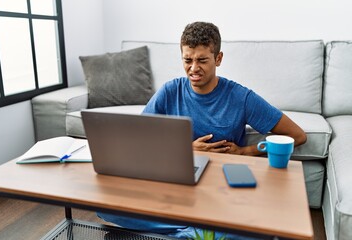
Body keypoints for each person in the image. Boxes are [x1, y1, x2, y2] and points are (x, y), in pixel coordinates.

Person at [98, 21, 307, 239]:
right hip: (176, 186)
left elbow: (297, 135)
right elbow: (139, 140)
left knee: (265, 231)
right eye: (187, 60)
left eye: (202, 60)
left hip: (220, 189)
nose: (193, 68)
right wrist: (187, 150)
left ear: (218, 59)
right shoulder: (170, 91)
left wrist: (246, 152)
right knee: (103, 206)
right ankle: (192, 232)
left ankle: (181, 231)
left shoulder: (241, 97)